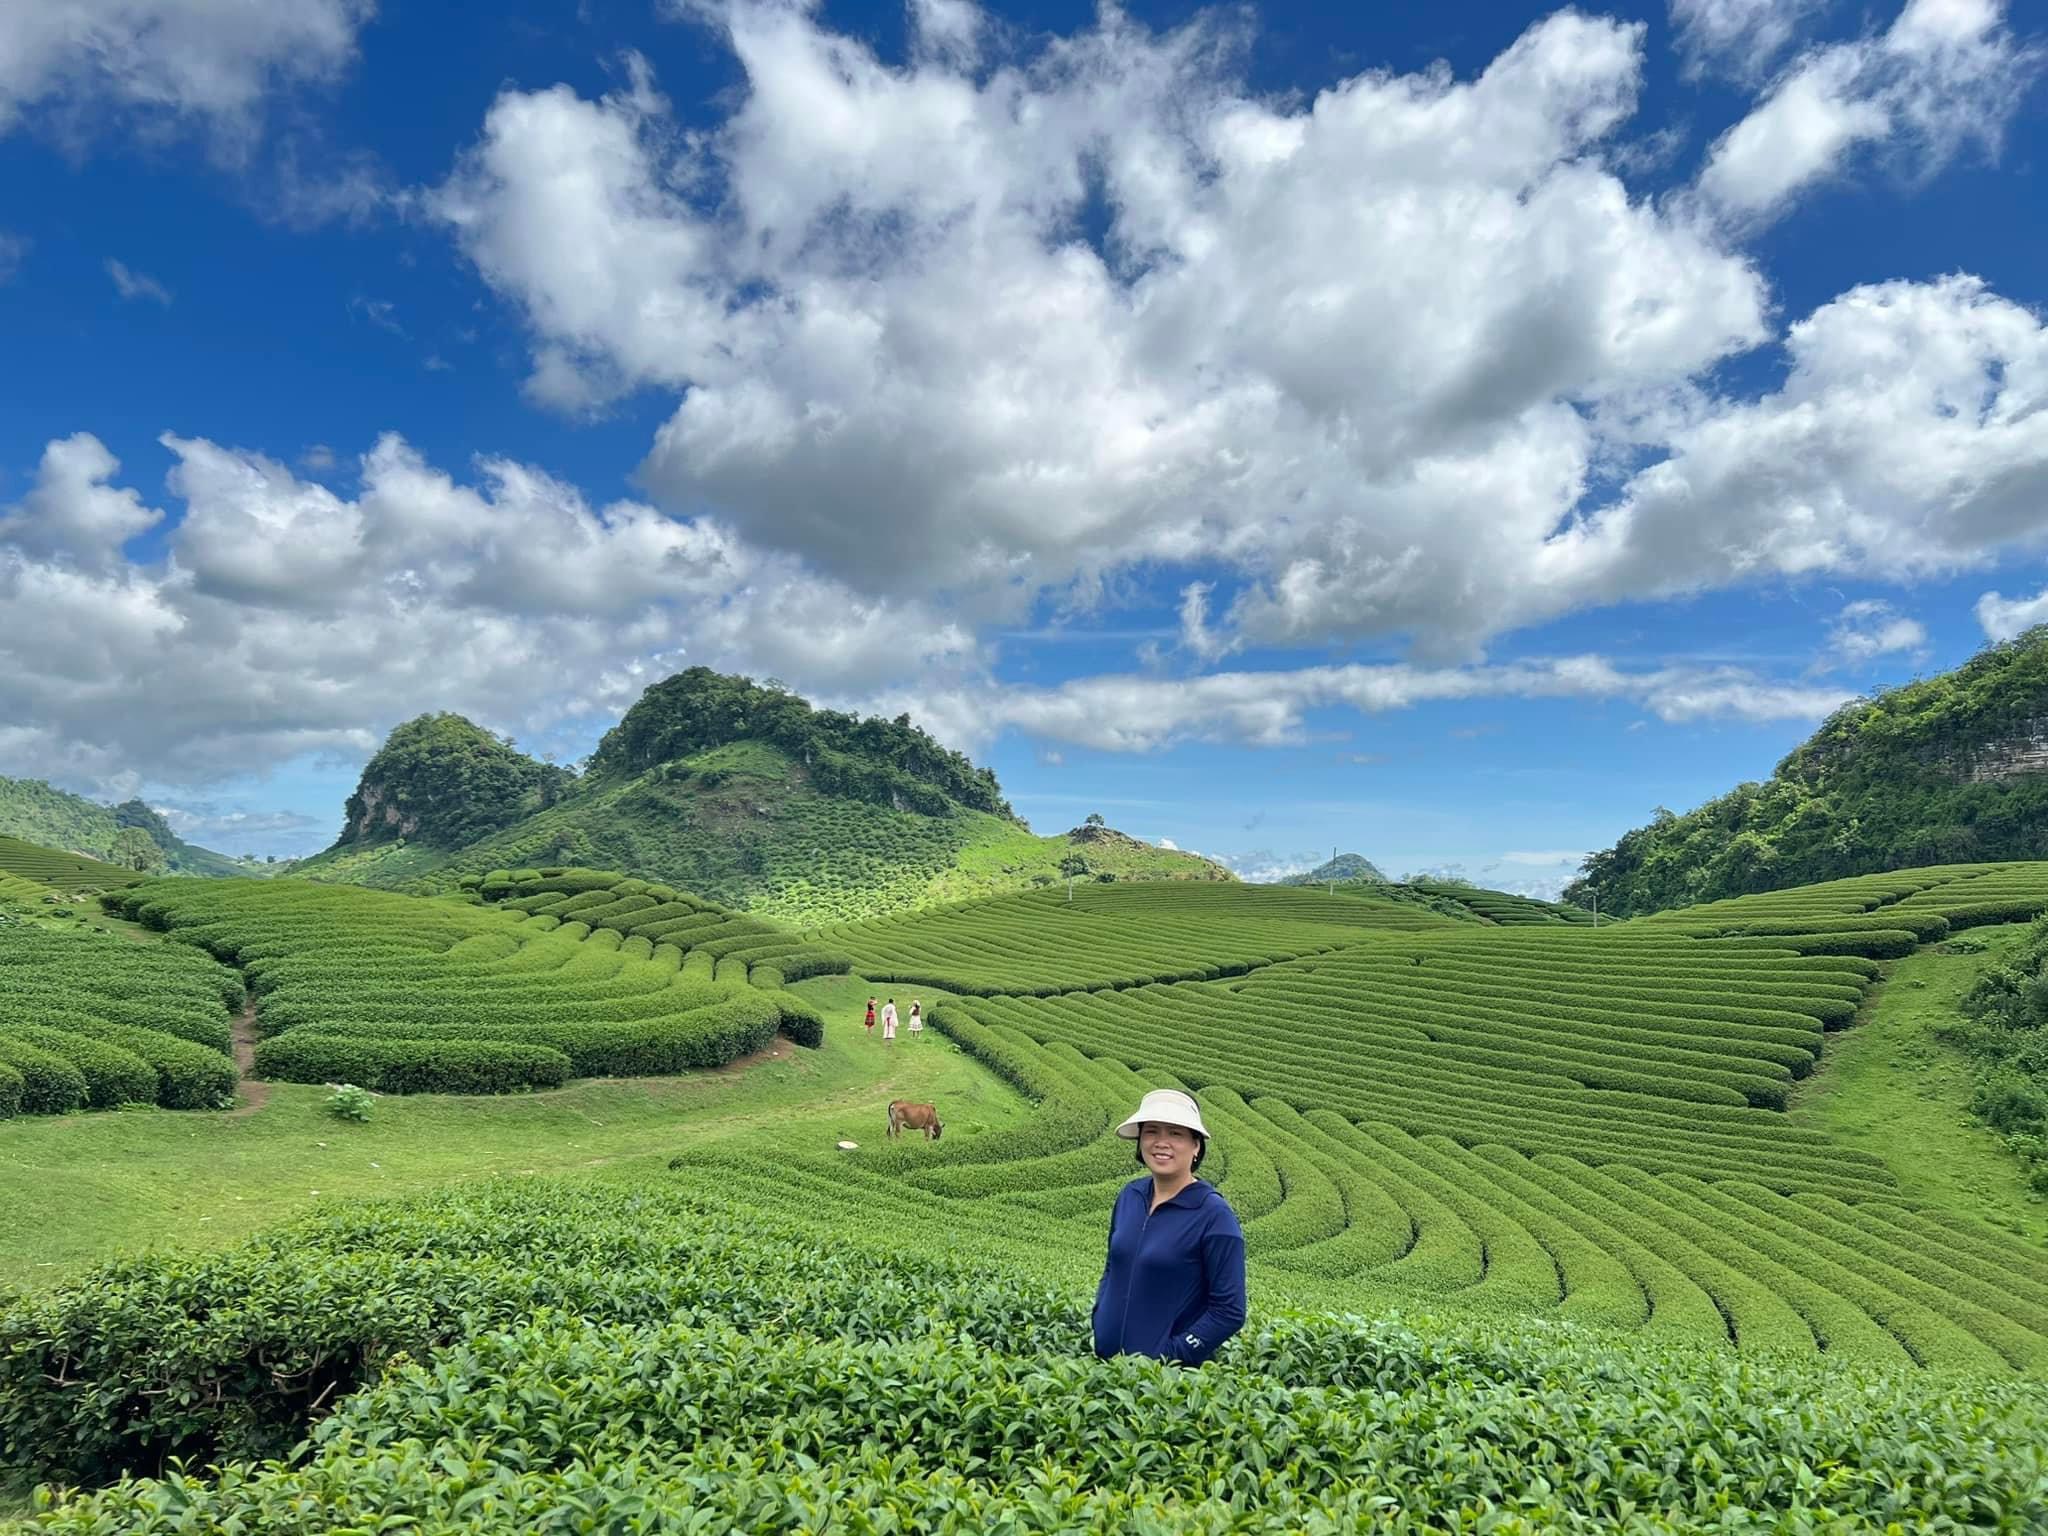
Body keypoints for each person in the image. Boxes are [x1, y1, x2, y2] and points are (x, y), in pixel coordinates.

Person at [1092, 1088, 1246, 1367]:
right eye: (1152, 1131)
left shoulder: (1215, 1217)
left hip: (1163, 1386)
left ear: (1196, 1145)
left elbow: (1229, 1311)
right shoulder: (1130, 1196)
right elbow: (1113, 1268)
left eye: (1176, 1133)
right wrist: (1099, 1317)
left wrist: (1171, 1355)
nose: (1162, 1142)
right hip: (1104, 1367)